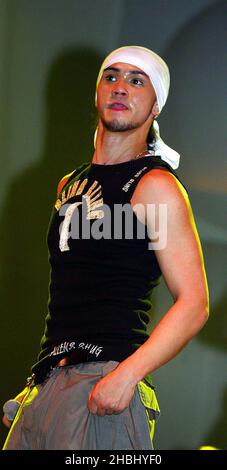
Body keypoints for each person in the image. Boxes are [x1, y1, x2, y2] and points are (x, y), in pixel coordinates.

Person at [3, 45, 209, 450]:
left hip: (104, 384)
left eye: (137, 81)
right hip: (46, 388)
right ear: (97, 92)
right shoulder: (68, 185)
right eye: (111, 77)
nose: (120, 88)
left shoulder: (155, 185)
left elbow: (194, 303)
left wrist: (127, 376)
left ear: (155, 106)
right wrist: (38, 386)